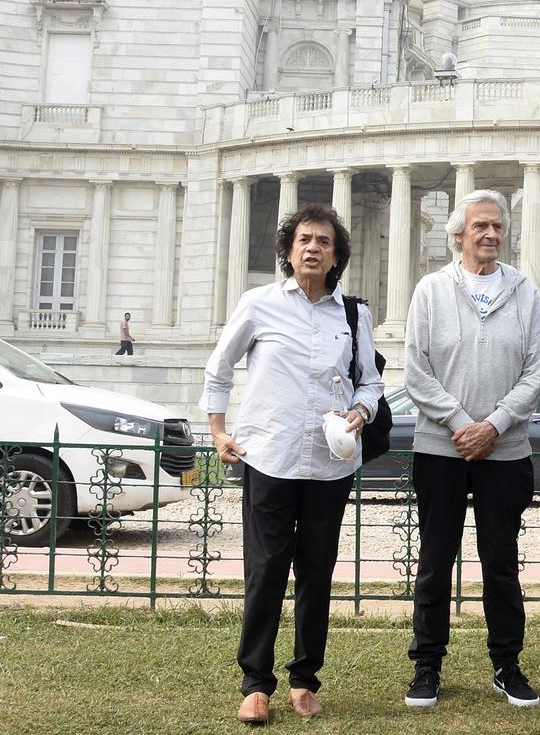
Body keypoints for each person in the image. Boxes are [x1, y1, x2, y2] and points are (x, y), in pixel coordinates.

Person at [201, 203, 384, 725]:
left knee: (317, 574)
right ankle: (256, 683)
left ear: (336, 256)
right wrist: (217, 430)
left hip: (329, 462)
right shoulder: (259, 304)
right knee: (265, 572)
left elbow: (370, 381)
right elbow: (219, 368)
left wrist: (360, 409)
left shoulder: (353, 314)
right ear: (287, 250)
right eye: (304, 239)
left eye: (323, 242)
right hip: (270, 456)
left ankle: (305, 679)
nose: (312, 248)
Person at [403, 189, 540, 709]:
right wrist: (465, 424)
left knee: (501, 562)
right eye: (480, 227)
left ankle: (507, 665)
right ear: (458, 234)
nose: (490, 235)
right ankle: (426, 666)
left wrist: (496, 424)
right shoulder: (430, 289)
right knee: (435, 560)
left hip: (505, 451)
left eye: (497, 227)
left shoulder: (525, 291)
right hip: (441, 449)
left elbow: (536, 370)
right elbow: (416, 371)